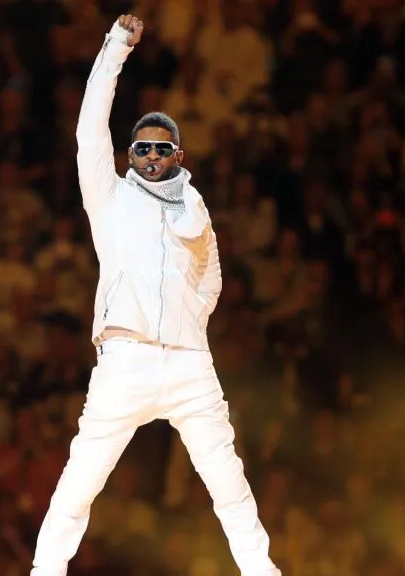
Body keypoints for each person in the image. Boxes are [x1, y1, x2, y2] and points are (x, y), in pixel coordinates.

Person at [30, 14, 281, 576]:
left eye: (159, 150)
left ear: (178, 156)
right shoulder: (111, 199)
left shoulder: (196, 209)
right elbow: (90, 129)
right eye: (140, 148)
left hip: (190, 366)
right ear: (129, 156)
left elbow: (211, 277)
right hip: (127, 359)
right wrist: (117, 46)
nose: (148, 157)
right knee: (80, 483)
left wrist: (190, 327)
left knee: (230, 486)